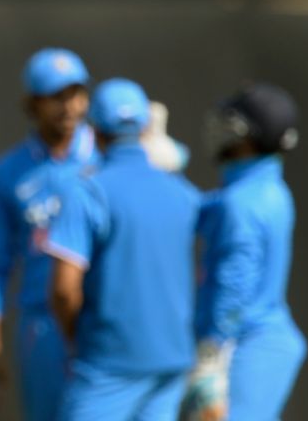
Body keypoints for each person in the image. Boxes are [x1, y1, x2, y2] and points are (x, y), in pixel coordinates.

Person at [43, 78, 200, 420]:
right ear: (145, 128)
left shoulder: (88, 192)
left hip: (108, 364)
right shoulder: (182, 192)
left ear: (95, 130)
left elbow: (64, 290)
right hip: (173, 360)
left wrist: (77, 339)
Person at [0, 47, 97, 420]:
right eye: (55, 97)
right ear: (32, 104)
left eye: (75, 94)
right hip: (42, 326)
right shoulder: (8, 172)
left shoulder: (107, 157)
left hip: (102, 319)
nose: (68, 107)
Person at [181, 83, 307, 421]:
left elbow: (234, 281)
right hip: (262, 341)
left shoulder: (242, 202)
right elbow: (206, 213)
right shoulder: (265, 188)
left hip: (245, 346)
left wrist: (212, 354)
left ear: (247, 137)